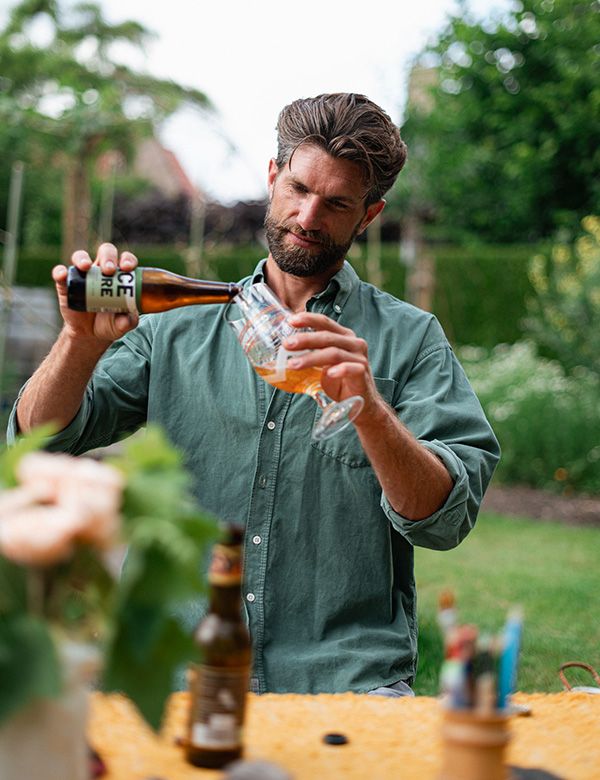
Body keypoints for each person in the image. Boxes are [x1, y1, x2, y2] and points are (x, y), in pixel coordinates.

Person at [8, 93, 500, 697]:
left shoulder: (411, 338)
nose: (309, 216)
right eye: (299, 188)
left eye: (337, 203)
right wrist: (78, 343)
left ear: (369, 215)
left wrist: (370, 411)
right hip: (178, 671)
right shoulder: (174, 325)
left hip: (345, 680)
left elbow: (445, 519)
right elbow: (35, 443)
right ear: (273, 177)